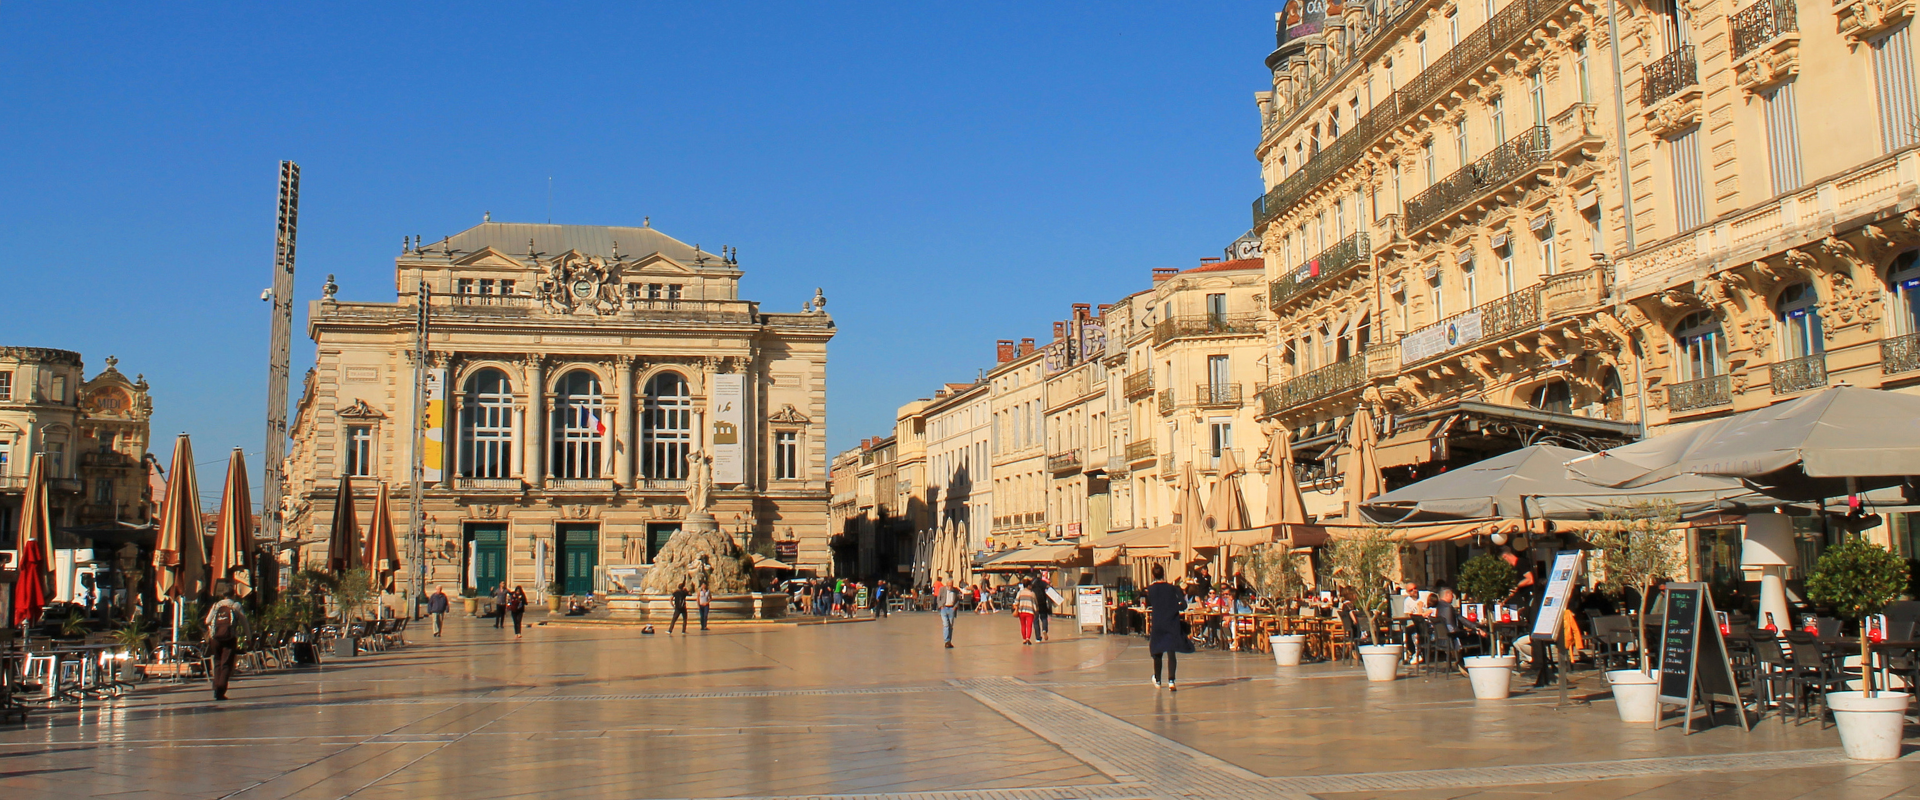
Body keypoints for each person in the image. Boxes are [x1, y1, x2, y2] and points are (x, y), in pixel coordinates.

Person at [1145, 564, 1193, 690]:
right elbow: (1184, 605)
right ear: (1164, 574)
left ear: (1153, 575)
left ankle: (1158, 679)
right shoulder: (1173, 588)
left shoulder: (1151, 589)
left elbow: (1149, 603)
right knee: (1171, 651)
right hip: (1172, 621)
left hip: (1158, 622)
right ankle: (1171, 680)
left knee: (1157, 651)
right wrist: (1173, 608)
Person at [203, 583, 249, 701]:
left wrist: (213, 630)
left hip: (215, 638)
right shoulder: (236, 605)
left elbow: (207, 621)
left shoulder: (216, 605)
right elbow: (245, 623)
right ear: (233, 594)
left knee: (217, 662)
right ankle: (221, 689)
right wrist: (249, 638)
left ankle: (215, 687)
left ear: (222, 594)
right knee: (226, 664)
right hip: (229, 637)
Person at [1014, 578, 1039, 645]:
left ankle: (1024, 639)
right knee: (1029, 625)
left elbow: (1016, 602)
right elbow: (1035, 603)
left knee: (1023, 625)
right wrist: (1036, 610)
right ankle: (1028, 638)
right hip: (1030, 611)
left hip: (1021, 612)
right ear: (1028, 586)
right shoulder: (1032, 593)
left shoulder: (1020, 592)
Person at [938, 574, 960, 648]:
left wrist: (955, 607)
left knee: (950, 626)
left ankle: (949, 641)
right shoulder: (942, 589)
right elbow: (938, 598)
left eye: (951, 585)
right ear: (946, 584)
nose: (950, 587)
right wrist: (941, 606)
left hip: (951, 609)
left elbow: (958, 599)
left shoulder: (956, 590)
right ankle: (946, 641)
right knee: (946, 625)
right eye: (949, 585)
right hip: (944, 608)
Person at [1031, 574, 1052, 642]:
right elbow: (1049, 587)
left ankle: (1038, 637)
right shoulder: (1042, 582)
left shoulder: (1032, 583)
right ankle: (1044, 630)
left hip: (1035, 603)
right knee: (1044, 618)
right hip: (1042, 602)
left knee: (1035, 620)